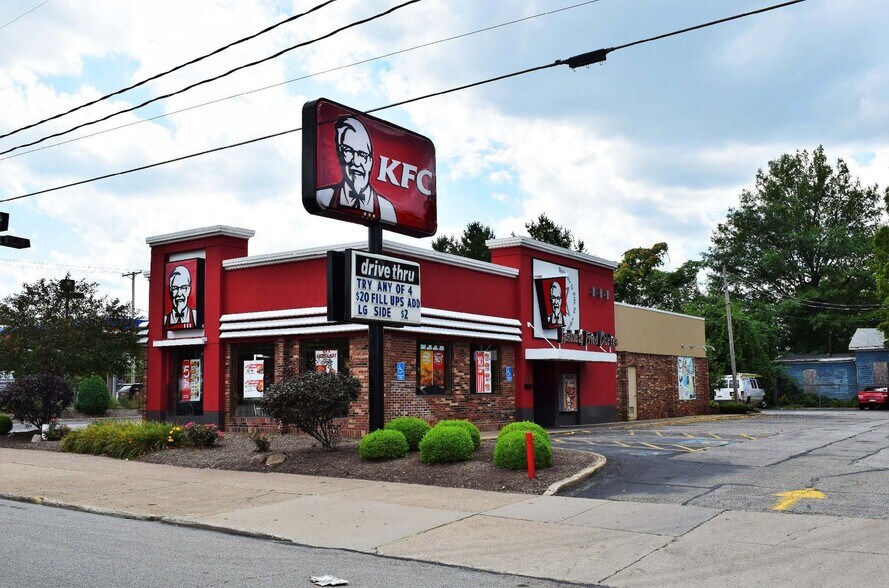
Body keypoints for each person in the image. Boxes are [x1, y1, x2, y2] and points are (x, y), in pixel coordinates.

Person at [316, 116, 397, 224]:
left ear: (370, 161)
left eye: (362, 154)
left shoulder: (387, 209)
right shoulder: (324, 196)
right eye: (348, 151)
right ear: (339, 154)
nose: (356, 162)